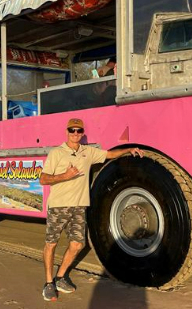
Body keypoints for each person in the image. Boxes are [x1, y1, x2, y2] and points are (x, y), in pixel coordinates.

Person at [39, 118, 144, 301]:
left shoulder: (88, 152)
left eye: (79, 131)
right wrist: (65, 175)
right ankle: (48, 283)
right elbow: (43, 179)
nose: (76, 134)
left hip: (79, 206)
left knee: (78, 244)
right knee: (51, 243)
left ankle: (60, 277)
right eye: (72, 130)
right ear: (67, 132)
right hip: (58, 205)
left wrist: (128, 149)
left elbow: (110, 154)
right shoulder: (57, 153)